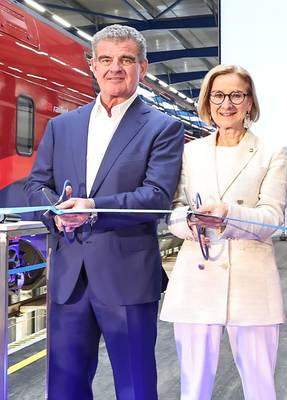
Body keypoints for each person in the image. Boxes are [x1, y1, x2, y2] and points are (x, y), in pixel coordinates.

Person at [25, 25, 184, 399]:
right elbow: (35, 185)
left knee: (134, 386)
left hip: (127, 277)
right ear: (93, 66)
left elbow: (157, 197)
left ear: (142, 67)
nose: (116, 68)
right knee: (64, 386)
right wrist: (56, 212)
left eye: (126, 59)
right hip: (69, 279)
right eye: (106, 59)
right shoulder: (62, 126)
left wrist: (92, 208)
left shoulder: (162, 127)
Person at [160, 64, 287, 400]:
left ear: (250, 102)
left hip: (251, 281)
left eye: (236, 95)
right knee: (193, 388)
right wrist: (188, 222)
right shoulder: (191, 152)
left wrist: (228, 215)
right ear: (207, 101)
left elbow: (273, 216)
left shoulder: (271, 151)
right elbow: (174, 211)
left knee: (260, 388)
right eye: (218, 95)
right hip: (197, 280)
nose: (226, 104)